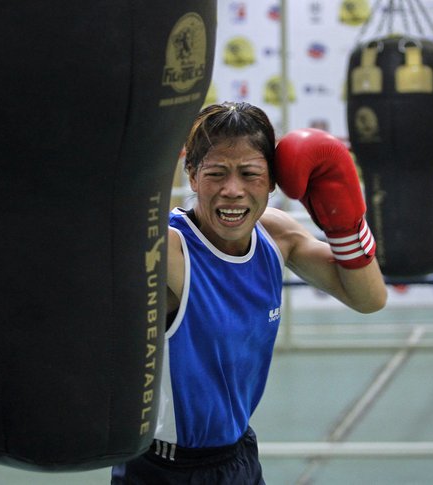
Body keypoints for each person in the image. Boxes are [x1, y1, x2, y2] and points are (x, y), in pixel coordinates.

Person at [111, 102, 387, 484]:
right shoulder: (169, 248)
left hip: (239, 457)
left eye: (249, 173)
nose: (233, 191)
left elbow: (369, 298)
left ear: (272, 181)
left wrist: (344, 223)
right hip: (163, 469)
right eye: (216, 173)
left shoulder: (276, 235)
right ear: (192, 176)